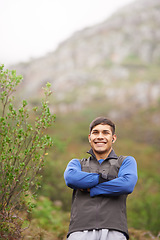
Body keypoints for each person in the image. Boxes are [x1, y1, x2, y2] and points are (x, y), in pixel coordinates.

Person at [64, 116, 138, 240]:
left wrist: (91, 189)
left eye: (105, 132)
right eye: (95, 132)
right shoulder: (77, 163)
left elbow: (127, 184)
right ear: (89, 138)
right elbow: (71, 178)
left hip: (115, 230)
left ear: (113, 138)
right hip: (80, 230)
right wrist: (105, 179)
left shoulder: (125, 161)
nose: (100, 136)